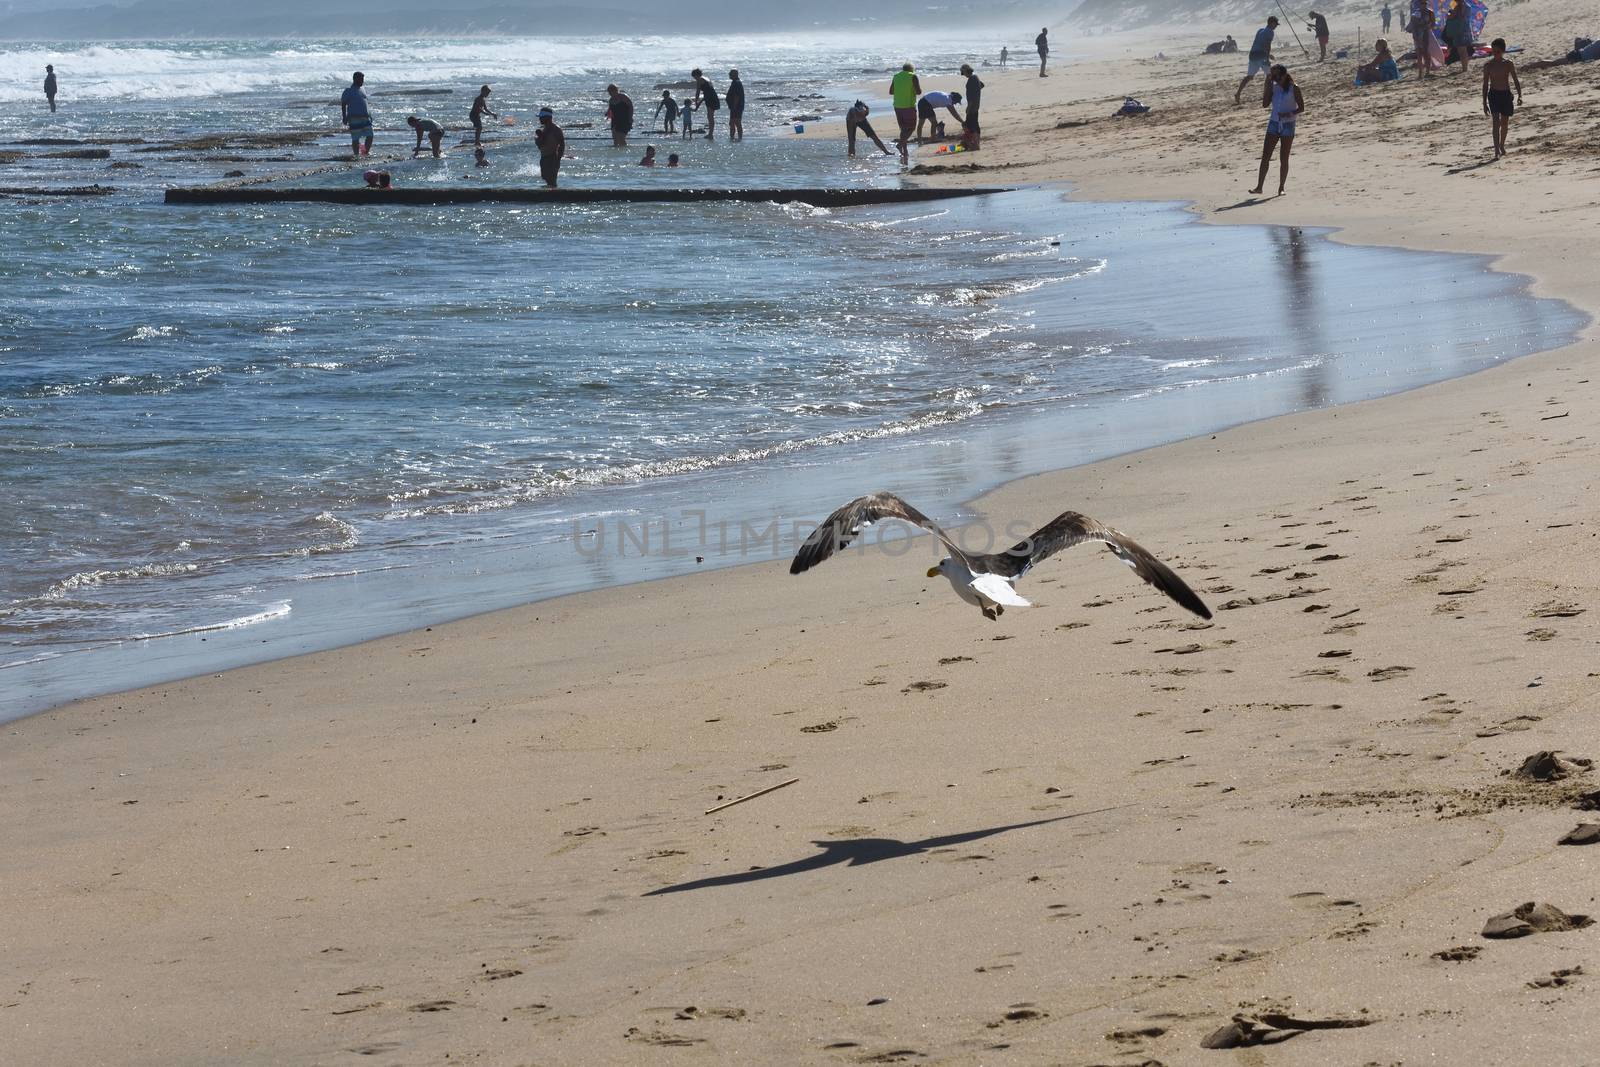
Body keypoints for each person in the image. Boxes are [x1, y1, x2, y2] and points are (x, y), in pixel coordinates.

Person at [1249, 65, 1304, 196]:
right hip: (1273, 123)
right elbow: (1265, 104)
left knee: (1283, 158)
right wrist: (1267, 85)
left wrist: (1289, 114)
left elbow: (1301, 108)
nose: (1276, 79)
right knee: (1265, 156)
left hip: (1288, 125)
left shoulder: (1294, 88)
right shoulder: (1273, 87)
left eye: (1278, 76)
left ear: (1284, 75)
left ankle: (1281, 187)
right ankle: (1259, 187)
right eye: (1274, 77)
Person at [1482, 38, 1522, 158]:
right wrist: (1484, 102)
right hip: (1494, 95)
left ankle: (1501, 145)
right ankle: (1496, 150)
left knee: (1504, 123)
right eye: (1493, 52)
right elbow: (1485, 84)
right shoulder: (1488, 65)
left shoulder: (1508, 64)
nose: (1495, 54)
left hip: (1505, 95)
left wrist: (1520, 95)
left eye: (1498, 51)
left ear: (1503, 51)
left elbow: (1515, 79)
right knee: (1495, 122)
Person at [1236, 17, 1279, 103]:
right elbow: (1267, 45)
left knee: (1249, 77)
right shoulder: (1270, 32)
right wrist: (1267, 57)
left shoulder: (1260, 30)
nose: (1276, 26)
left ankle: (1238, 93)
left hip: (1252, 55)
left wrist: (1267, 55)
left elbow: (1258, 43)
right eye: (1275, 24)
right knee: (1269, 75)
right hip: (1261, 55)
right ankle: (1266, 94)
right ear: (1271, 23)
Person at [889, 62, 920, 161]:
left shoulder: (896, 76)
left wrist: (901, 89)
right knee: (911, 128)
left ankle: (905, 151)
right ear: (911, 69)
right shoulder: (913, 76)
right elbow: (919, 91)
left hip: (897, 106)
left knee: (903, 129)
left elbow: (891, 91)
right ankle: (900, 144)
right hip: (908, 105)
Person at [341, 71, 373, 157]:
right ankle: (356, 155)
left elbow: (365, 103)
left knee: (370, 136)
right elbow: (343, 104)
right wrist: (344, 117)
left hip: (366, 118)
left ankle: (365, 153)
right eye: (361, 79)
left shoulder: (363, 89)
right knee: (355, 138)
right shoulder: (348, 91)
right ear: (355, 79)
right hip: (354, 118)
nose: (362, 81)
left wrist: (370, 115)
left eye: (363, 79)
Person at [1523, 37, 1600, 69]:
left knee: (1554, 63)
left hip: (1578, 54)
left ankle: (1530, 66)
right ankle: (1529, 66)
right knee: (1554, 63)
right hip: (1577, 56)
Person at [535, 107, 564, 188]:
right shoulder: (544, 129)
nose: (539, 119)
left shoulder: (556, 129)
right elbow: (542, 144)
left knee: (551, 181)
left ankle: (552, 198)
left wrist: (558, 159)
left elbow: (562, 144)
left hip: (552, 158)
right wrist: (540, 138)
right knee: (546, 179)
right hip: (544, 157)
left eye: (541, 117)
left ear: (547, 118)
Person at [1411, 1, 1440, 77]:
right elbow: (1413, 24)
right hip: (1417, 34)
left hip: (1426, 34)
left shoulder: (1430, 12)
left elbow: (1433, 24)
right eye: (1421, 3)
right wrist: (1415, 34)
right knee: (1419, 53)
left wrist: (1427, 28)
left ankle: (1427, 71)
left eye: (1424, 3)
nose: (1423, 4)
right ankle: (1420, 73)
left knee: (1426, 52)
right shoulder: (1416, 12)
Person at [1443, 0, 1473, 71]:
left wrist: (1448, 14)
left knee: (1461, 50)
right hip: (1466, 29)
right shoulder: (1468, 6)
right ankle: (1465, 67)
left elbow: (1451, 17)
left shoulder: (1458, 7)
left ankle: (1464, 68)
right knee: (1465, 51)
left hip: (1458, 30)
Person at [691, 68, 720, 140]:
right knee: (710, 116)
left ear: (696, 75)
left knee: (710, 116)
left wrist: (696, 101)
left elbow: (698, 92)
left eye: (694, 77)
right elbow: (709, 90)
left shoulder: (700, 79)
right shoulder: (706, 78)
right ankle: (710, 133)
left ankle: (710, 134)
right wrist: (700, 102)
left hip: (710, 98)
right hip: (712, 96)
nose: (695, 79)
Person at [960, 63, 984, 149]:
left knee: (969, 126)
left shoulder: (970, 81)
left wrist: (968, 108)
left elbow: (970, 98)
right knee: (975, 125)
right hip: (977, 105)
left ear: (966, 71)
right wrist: (977, 91)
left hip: (972, 107)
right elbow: (982, 85)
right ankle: (976, 144)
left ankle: (974, 145)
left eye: (963, 73)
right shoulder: (976, 77)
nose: (964, 75)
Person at [725, 69, 745, 142]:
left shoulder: (736, 83)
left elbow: (737, 96)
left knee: (736, 122)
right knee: (733, 123)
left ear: (735, 74)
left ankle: (738, 138)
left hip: (736, 106)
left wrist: (734, 106)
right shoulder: (735, 82)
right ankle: (733, 137)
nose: (729, 74)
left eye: (730, 73)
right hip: (735, 106)